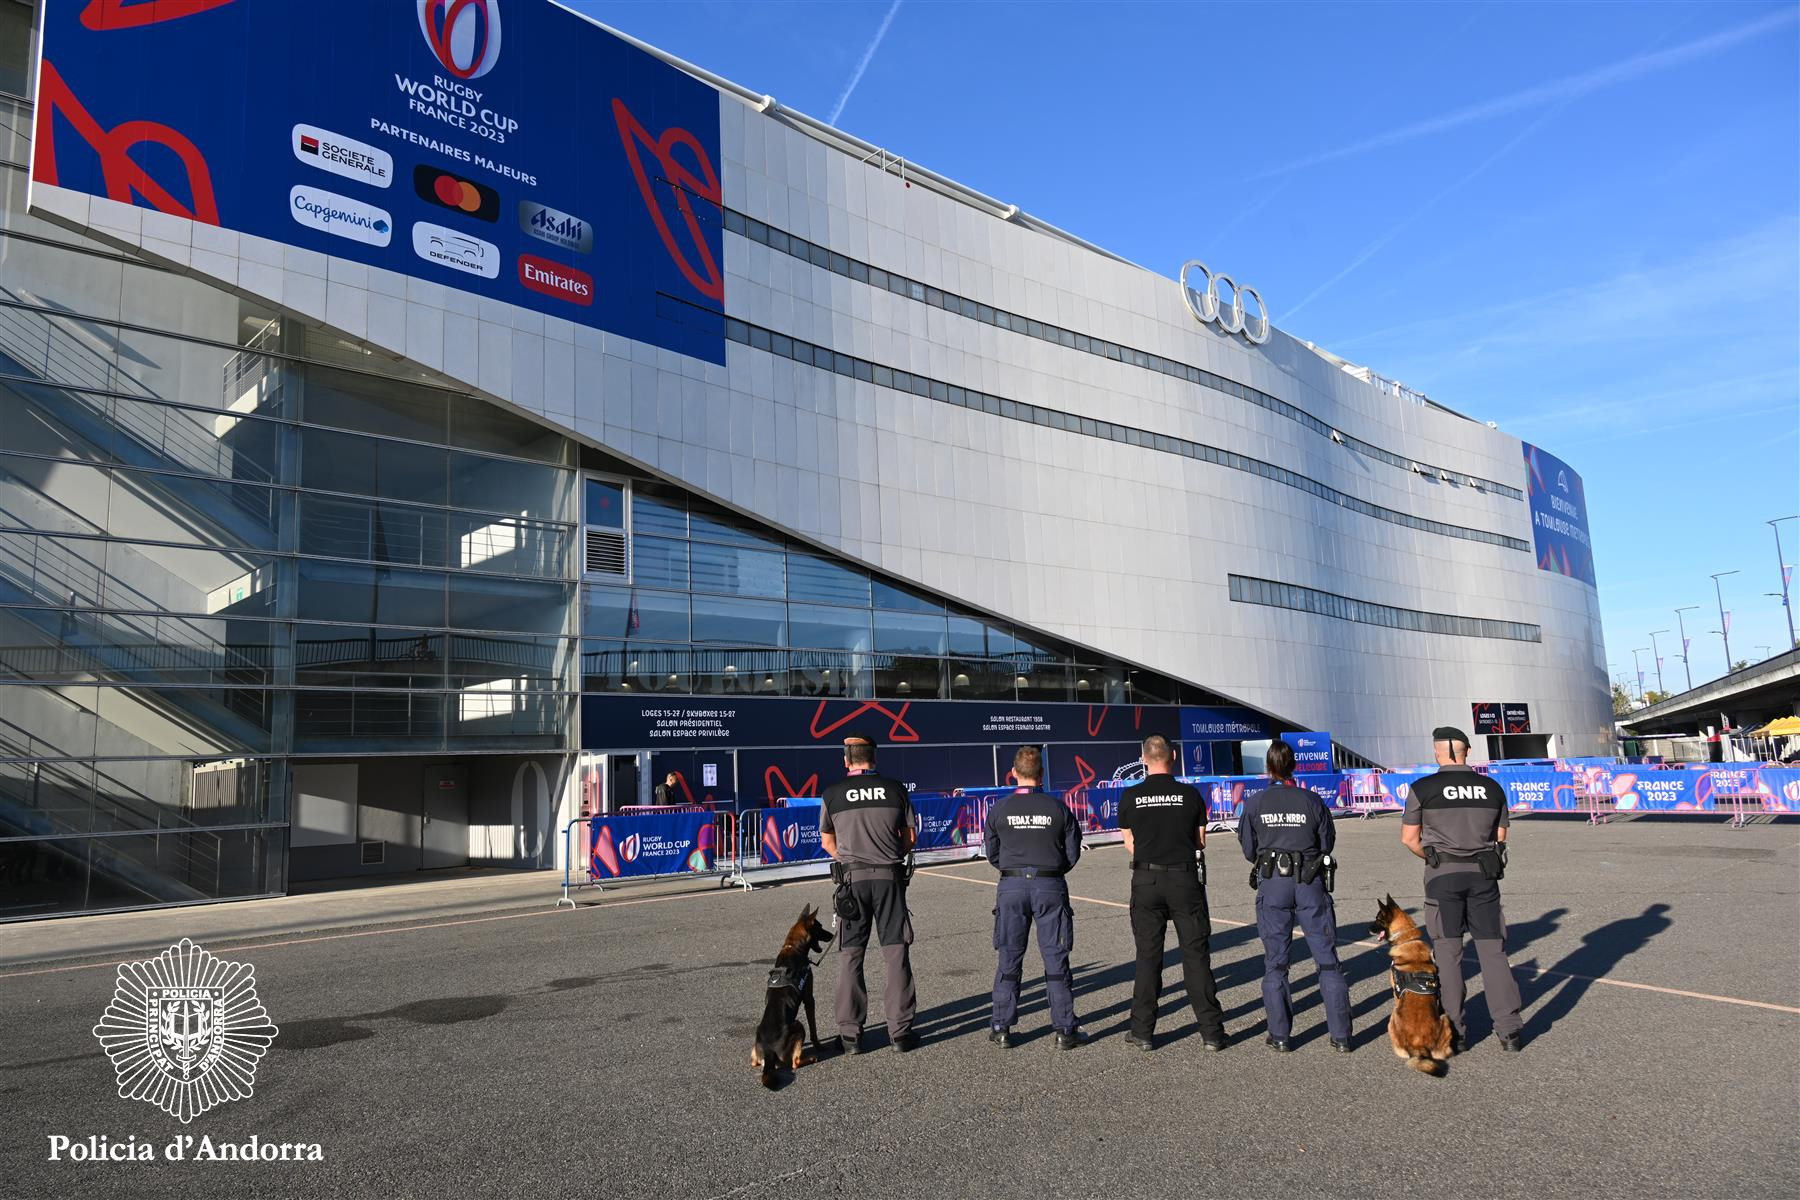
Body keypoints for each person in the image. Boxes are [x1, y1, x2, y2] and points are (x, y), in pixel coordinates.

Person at [1401, 726, 1525, 1051]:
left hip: (1442, 876)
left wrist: (1433, 857)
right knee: (1493, 952)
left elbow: (1409, 839)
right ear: (1467, 750)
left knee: (1448, 952)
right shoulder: (1491, 788)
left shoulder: (1422, 788)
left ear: (1437, 752)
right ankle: (1509, 1030)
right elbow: (1500, 837)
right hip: (1483, 876)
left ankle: (1454, 1032)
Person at [1238, 741, 1352, 1052]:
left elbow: (1248, 848)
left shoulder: (1256, 802)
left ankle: (1280, 1036)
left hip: (1274, 883)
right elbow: (1327, 842)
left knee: (1276, 964)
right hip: (1309, 883)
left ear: (1268, 768)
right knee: (1328, 962)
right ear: (1294, 767)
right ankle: (1341, 1036)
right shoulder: (1312, 800)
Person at [1117, 734, 1227, 1051]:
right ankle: (1211, 1032)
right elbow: (1200, 841)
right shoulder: (1190, 795)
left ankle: (1142, 1031)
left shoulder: (1130, 797)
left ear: (1143, 759)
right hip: (1184, 880)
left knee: (1148, 958)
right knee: (1195, 957)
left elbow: (1130, 845)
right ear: (1174, 757)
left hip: (1146, 880)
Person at [819, 734, 918, 1054]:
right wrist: (888, 855)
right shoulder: (895, 789)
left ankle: (851, 1037)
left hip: (852, 882)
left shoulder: (832, 794)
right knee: (896, 953)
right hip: (889, 879)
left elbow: (827, 842)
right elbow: (910, 837)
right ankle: (900, 1033)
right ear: (874, 759)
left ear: (846, 760)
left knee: (850, 955)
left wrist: (850, 860)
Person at [983, 746, 1084, 1050]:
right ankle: (1065, 1029)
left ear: (1013, 773)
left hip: (1011, 886)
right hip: (1049, 884)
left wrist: (1014, 868)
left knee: (1009, 959)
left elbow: (993, 853)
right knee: (1056, 959)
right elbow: (1072, 852)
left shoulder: (999, 809)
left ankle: (1001, 1026)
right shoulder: (1058, 808)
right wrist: (1050, 871)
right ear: (1041, 774)